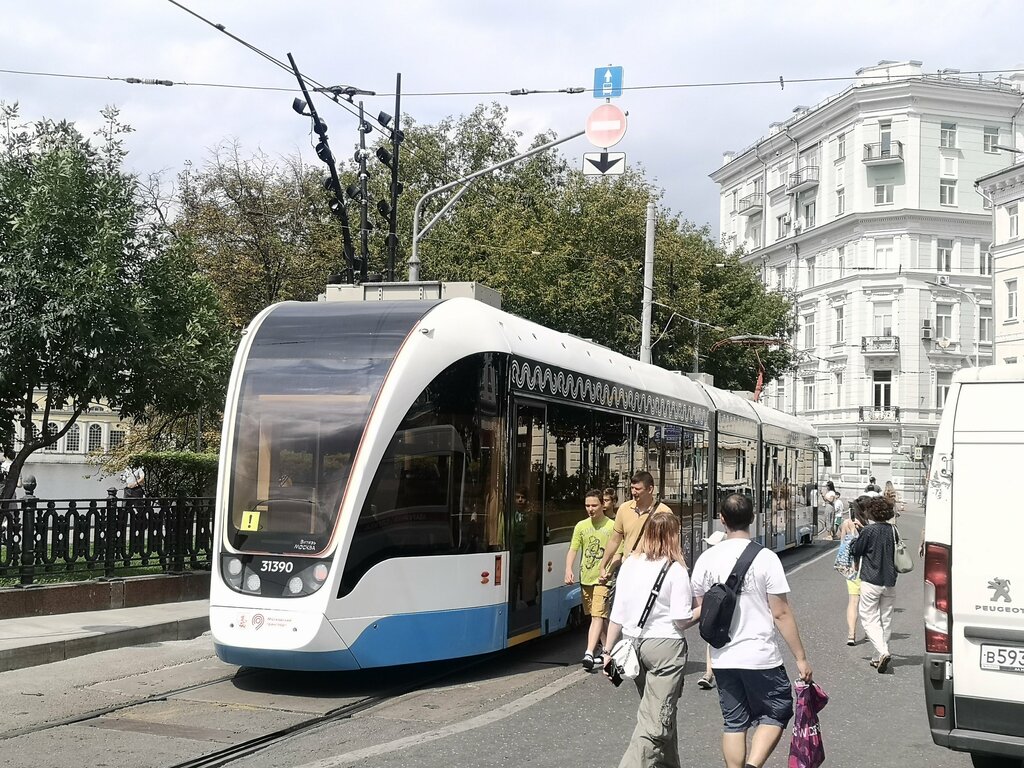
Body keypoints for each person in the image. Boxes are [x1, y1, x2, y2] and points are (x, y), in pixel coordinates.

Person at [691, 493, 813, 768]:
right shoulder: (766, 558)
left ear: (721, 520)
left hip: (723, 657)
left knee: (734, 721)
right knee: (777, 710)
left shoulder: (706, 559)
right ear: (753, 518)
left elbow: (704, 610)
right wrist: (801, 658)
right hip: (760, 656)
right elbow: (780, 612)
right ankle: (753, 765)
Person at [602, 510, 697, 768]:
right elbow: (681, 619)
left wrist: (607, 651)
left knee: (661, 711)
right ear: (674, 537)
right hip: (666, 647)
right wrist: (705, 608)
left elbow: (617, 613)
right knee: (655, 723)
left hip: (633, 646)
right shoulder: (676, 570)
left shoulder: (630, 565)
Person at [565, 489, 616, 671]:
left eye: (594, 505)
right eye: (587, 505)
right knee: (598, 617)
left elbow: (619, 552)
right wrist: (568, 569)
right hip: (585, 579)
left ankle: (588, 652)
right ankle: (609, 651)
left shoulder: (612, 526)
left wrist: (608, 571)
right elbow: (573, 549)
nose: (590, 509)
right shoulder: (581, 526)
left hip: (603, 580)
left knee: (597, 616)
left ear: (603, 504)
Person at [850, 495, 899, 673]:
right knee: (885, 619)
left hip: (871, 580)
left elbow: (856, 549)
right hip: (890, 581)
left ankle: (883, 652)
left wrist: (858, 534)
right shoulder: (893, 530)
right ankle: (878, 657)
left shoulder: (869, 531)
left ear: (871, 512)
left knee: (869, 618)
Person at [598, 471, 672, 584]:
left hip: (652, 573)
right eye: (632, 488)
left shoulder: (664, 512)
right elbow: (614, 540)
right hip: (629, 570)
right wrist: (603, 565)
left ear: (650, 489)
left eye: (637, 489)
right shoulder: (624, 509)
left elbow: (670, 545)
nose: (633, 492)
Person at [697, 529, 727, 691]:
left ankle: (713, 673)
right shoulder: (708, 561)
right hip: (713, 604)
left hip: (724, 605)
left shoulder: (727, 561)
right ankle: (709, 673)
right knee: (711, 639)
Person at [837, 501, 869, 645]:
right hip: (866, 567)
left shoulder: (846, 523)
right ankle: (869, 631)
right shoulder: (868, 525)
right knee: (867, 603)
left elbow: (842, 542)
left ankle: (851, 635)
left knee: (853, 601)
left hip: (850, 567)